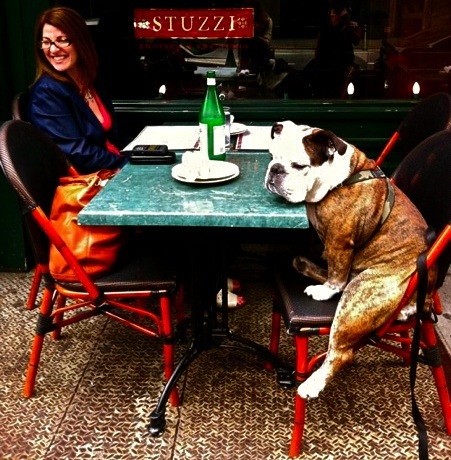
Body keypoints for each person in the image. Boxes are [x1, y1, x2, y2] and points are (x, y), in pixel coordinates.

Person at [28, 7, 129, 174]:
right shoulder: (46, 92)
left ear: (81, 41)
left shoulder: (91, 79)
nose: (53, 49)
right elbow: (79, 153)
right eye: (46, 42)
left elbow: (113, 139)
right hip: (91, 182)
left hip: (112, 169)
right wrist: (128, 164)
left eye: (62, 40)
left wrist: (143, 155)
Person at [303, 0, 361, 98]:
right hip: (326, 62)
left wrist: (346, 22)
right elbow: (320, 48)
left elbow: (355, 40)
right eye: (331, 13)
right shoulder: (327, 28)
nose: (332, 16)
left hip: (338, 63)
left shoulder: (347, 27)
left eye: (334, 14)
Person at [238, 0, 274, 76]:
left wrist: (256, 36)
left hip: (261, 59)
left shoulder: (267, 20)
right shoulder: (242, 20)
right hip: (245, 60)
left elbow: (267, 43)